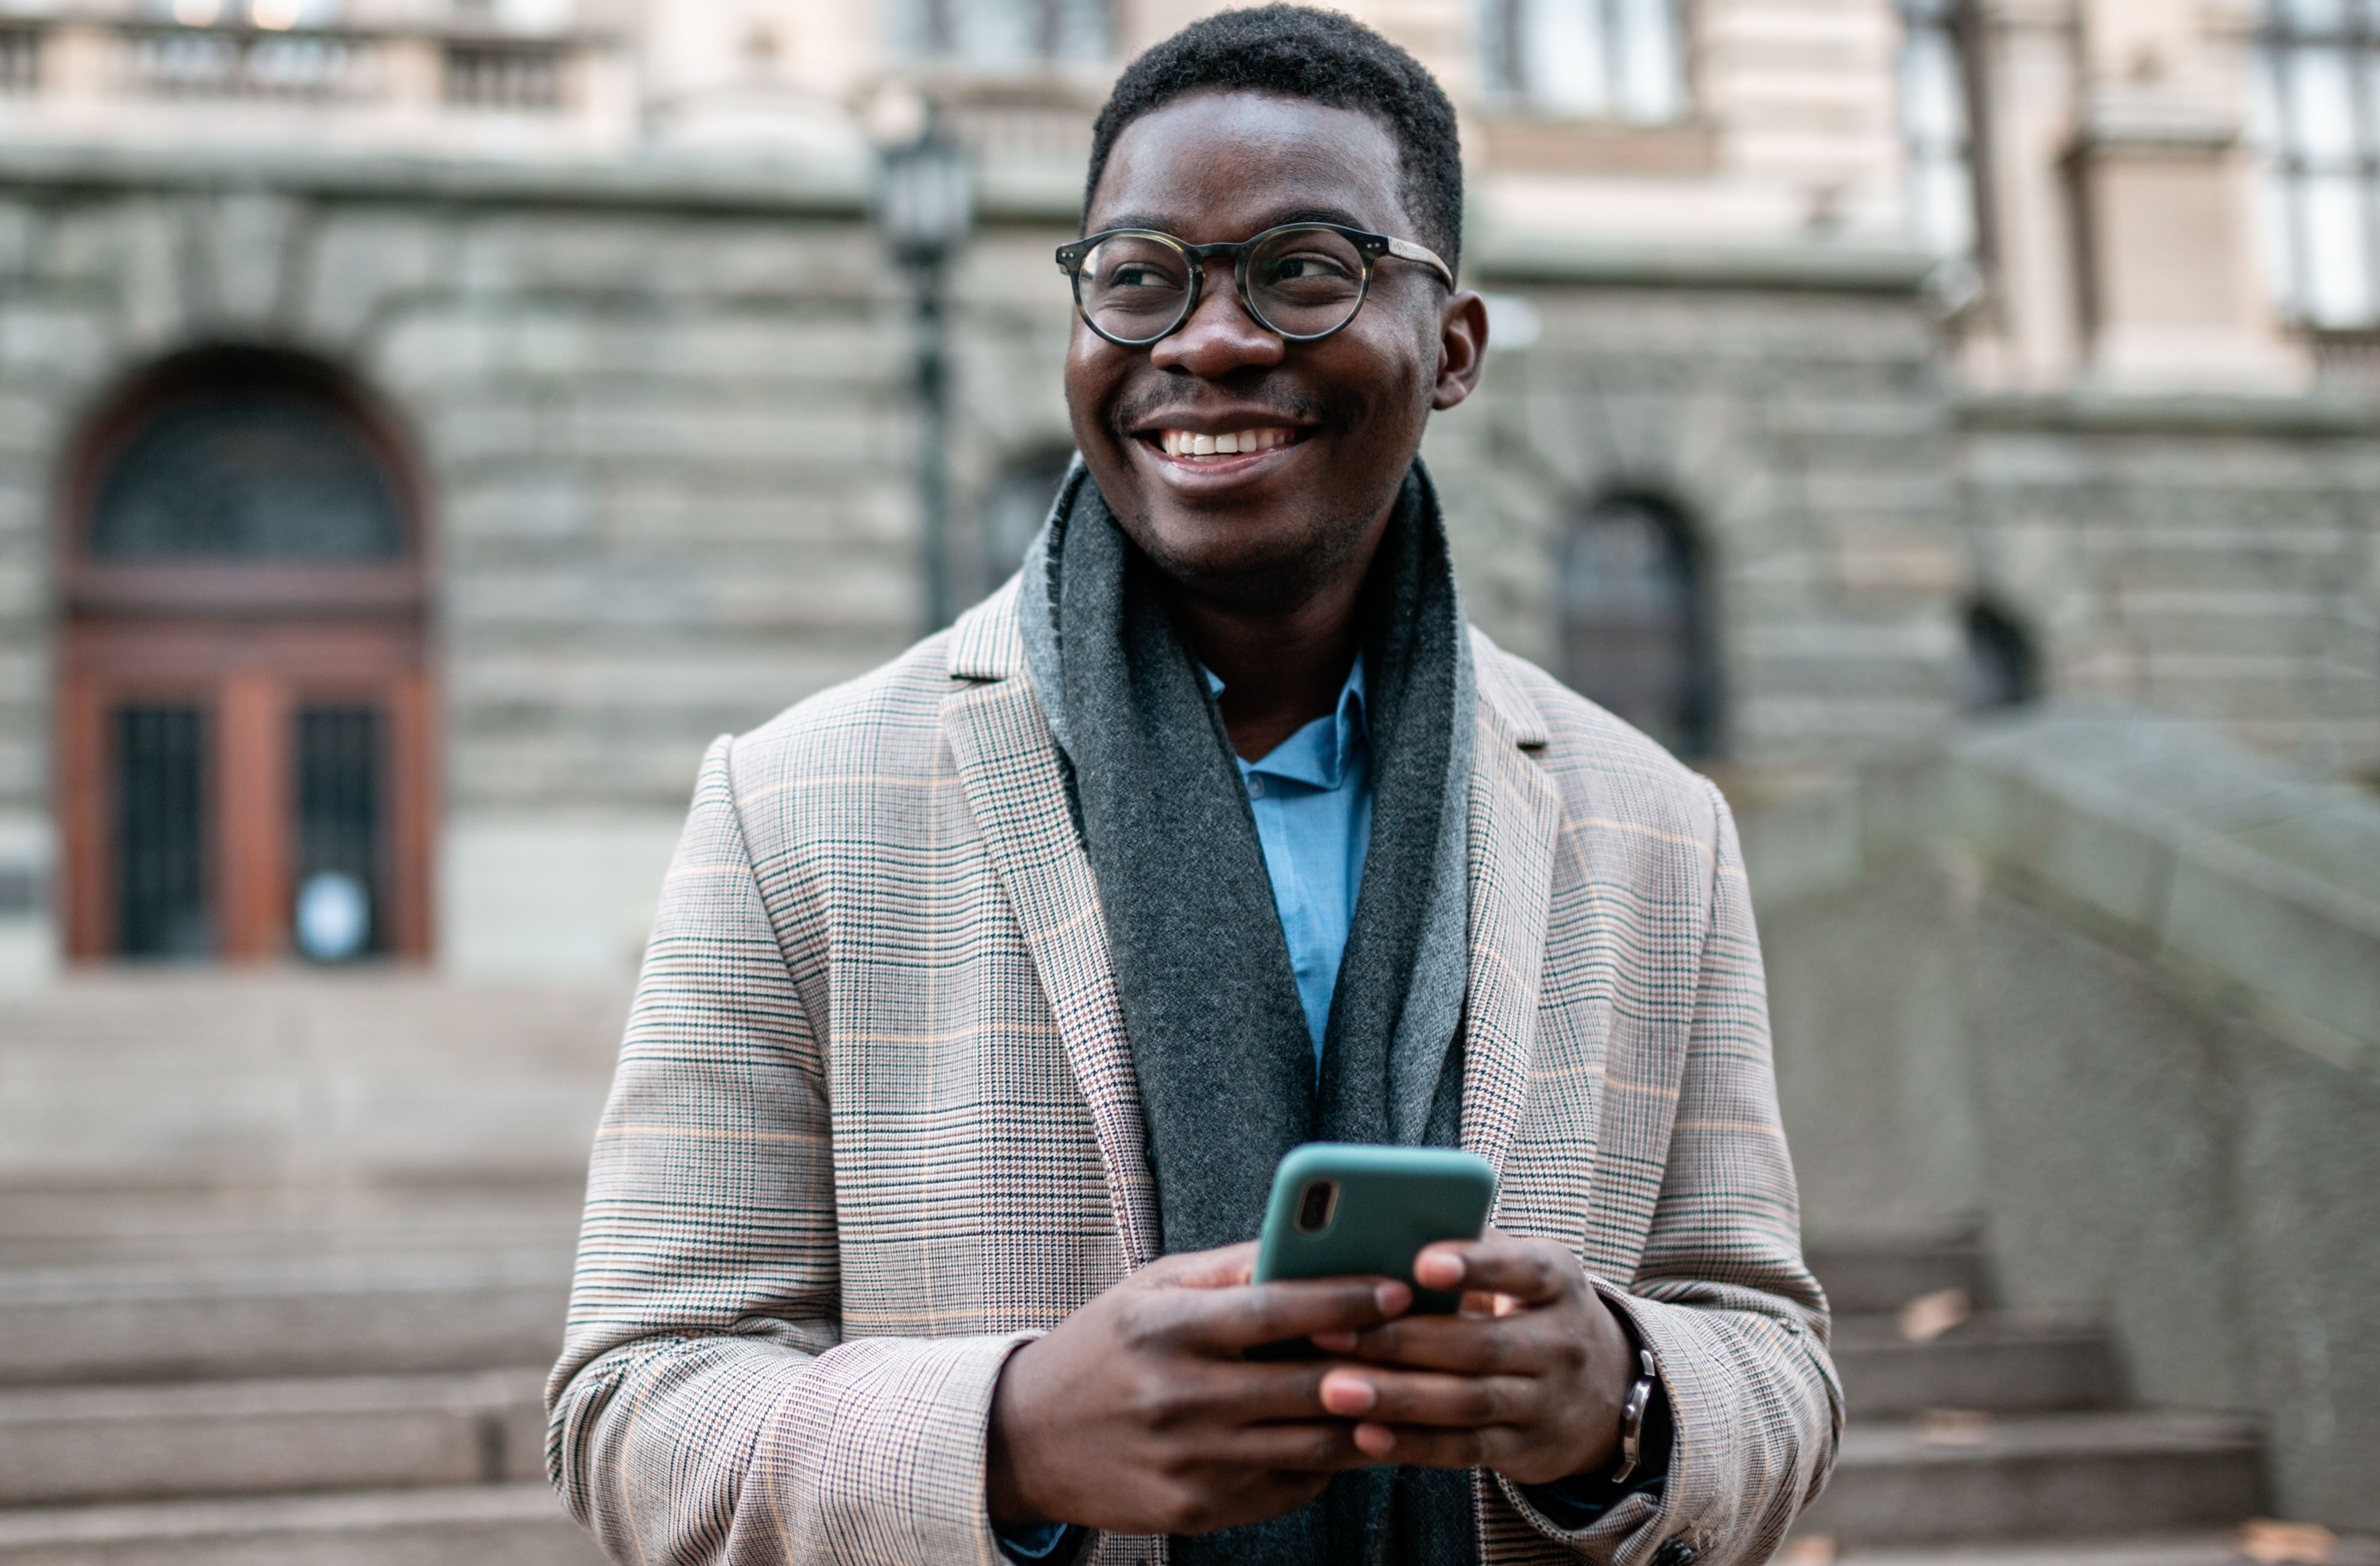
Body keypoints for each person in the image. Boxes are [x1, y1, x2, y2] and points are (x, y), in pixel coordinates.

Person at [544, 8, 1838, 1565]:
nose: (1208, 340)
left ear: (1456, 348)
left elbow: (1771, 1359)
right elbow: (632, 1409)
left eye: (1304, 272)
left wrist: (1621, 1393)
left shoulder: (1657, 831)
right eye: (1141, 277)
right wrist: (1011, 1436)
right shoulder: (792, 807)